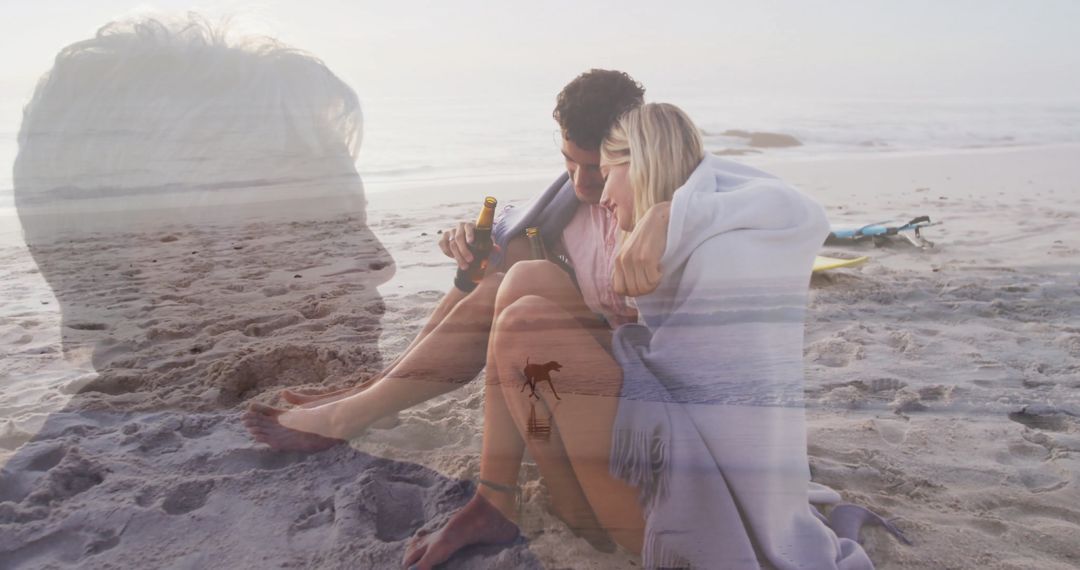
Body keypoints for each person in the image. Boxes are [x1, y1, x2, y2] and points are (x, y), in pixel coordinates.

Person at [403, 103, 892, 569]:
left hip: (692, 514)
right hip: (673, 451)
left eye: (607, 172)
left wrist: (670, 215)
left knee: (527, 323)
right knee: (531, 281)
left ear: (639, 162)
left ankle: (539, 511)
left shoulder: (716, 243)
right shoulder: (700, 233)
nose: (598, 195)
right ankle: (498, 498)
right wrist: (671, 217)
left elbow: (803, 209)